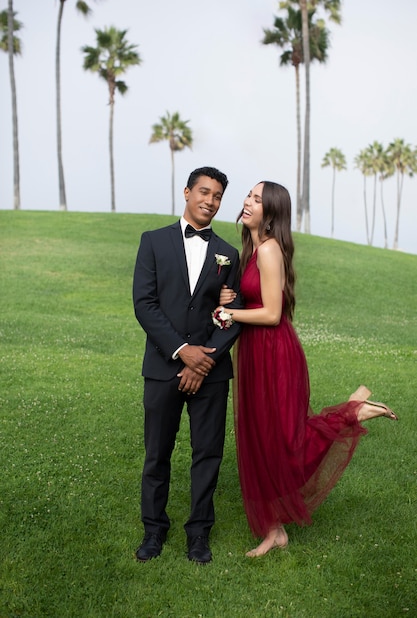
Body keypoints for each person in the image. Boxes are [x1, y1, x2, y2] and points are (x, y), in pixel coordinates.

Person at [216, 180, 398, 557]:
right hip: (253, 352)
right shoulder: (251, 249)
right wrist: (230, 297)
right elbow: (257, 299)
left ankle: (353, 412)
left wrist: (229, 313)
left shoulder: (268, 251)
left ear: (272, 213)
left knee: (283, 440)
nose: (247, 202)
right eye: (249, 195)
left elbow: (271, 313)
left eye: (257, 199)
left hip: (274, 352)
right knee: (260, 440)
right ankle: (274, 531)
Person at [132, 166, 242, 564]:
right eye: (204, 192)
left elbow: (234, 312)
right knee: (157, 454)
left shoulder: (229, 254)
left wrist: (204, 360)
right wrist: (182, 351)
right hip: (163, 368)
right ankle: (153, 532)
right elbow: (145, 304)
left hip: (211, 373)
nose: (210, 201)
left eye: (217, 196)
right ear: (186, 192)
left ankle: (199, 535)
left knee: (207, 454)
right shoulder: (153, 242)